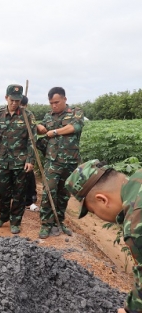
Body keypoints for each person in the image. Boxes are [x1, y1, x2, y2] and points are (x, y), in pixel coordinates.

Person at [65, 159, 142, 313]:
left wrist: (130, 310)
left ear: (102, 200)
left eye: (93, 211)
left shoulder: (135, 224)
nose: (97, 216)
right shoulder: (138, 177)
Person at [0, 84, 36, 234]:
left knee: (19, 193)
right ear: (6, 98)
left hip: (21, 162)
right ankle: (3, 216)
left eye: (17, 100)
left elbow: (31, 140)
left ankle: (15, 221)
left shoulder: (28, 116)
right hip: (3, 161)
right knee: (3, 191)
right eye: (12, 100)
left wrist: (30, 160)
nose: (14, 103)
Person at [37, 87, 84, 239]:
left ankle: (59, 222)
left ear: (64, 99)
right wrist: (38, 126)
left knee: (64, 194)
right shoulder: (48, 116)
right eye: (51, 103)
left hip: (70, 161)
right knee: (49, 191)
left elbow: (74, 127)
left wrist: (55, 132)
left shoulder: (76, 112)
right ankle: (46, 224)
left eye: (56, 102)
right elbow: (41, 129)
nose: (54, 106)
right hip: (52, 161)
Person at [20, 95, 39, 211]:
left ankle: (30, 200)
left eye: (22, 105)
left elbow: (33, 136)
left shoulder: (29, 116)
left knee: (29, 175)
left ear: (26, 105)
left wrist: (30, 157)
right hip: (12, 154)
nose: (20, 107)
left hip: (26, 152)